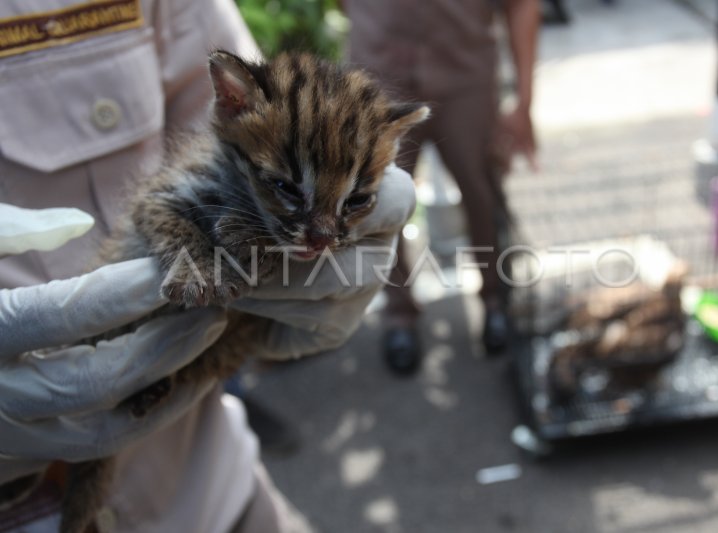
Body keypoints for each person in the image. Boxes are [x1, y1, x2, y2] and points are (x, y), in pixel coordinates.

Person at [0, 0, 416, 531]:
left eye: (353, 202)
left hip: (211, 491)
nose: (321, 236)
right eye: (287, 190)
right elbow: (171, 197)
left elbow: (282, 109)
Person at [341, 0, 540, 373]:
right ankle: (398, 313)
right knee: (376, 201)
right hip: (379, 76)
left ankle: (496, 299)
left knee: (483, 191)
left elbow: (522, 5)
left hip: (466, 73)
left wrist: (524, 102)